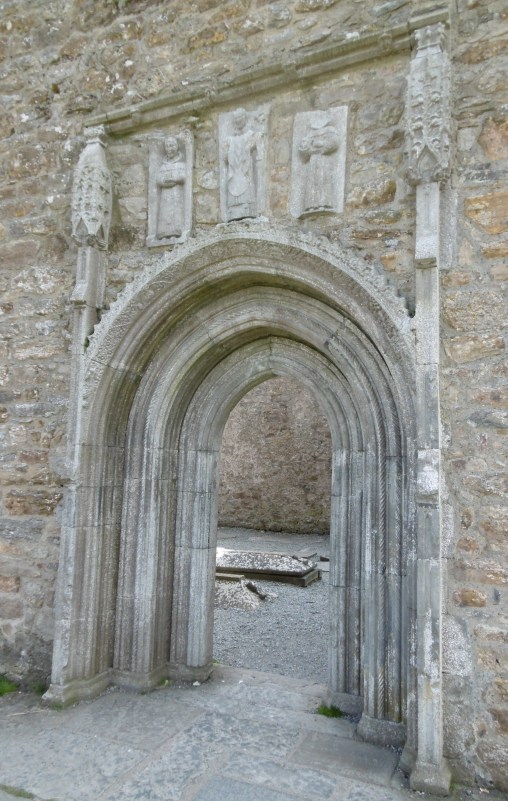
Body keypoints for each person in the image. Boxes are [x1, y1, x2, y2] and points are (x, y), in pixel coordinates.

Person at [298, 114, 340, 213]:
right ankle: (310, 206)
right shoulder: (310, 133)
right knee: (312, 181)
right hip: (313, 159)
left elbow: (334, 142)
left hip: (324, 159)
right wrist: (308, 148)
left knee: (324, 179)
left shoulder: (330, 130)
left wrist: (321, 145)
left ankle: (325, 204)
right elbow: (303, 148)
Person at [224, 108, 258, 220]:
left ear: (245, 118)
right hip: (234, 170)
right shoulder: (230, 139)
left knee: (246, 182)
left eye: (240, 118)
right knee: (233, 183)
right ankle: (233, 209)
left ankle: (246, 206)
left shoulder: (250, 135)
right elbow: (225, 157)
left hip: (244, 169)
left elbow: (253, 146)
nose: (238, 120)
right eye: (236, 119)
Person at [156, 136, 186, 238]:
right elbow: (159, 179)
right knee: (165, 212)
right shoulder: (163, 166)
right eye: (167, 146)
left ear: (176, 147)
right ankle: (164, 232)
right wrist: (165, 181)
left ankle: (177, 230)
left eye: (172, 145)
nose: (170, 149)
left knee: (176, 211)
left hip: (176, 194)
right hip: (165, 196)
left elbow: (183, 176)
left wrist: (174, 178)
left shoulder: (181, 164)